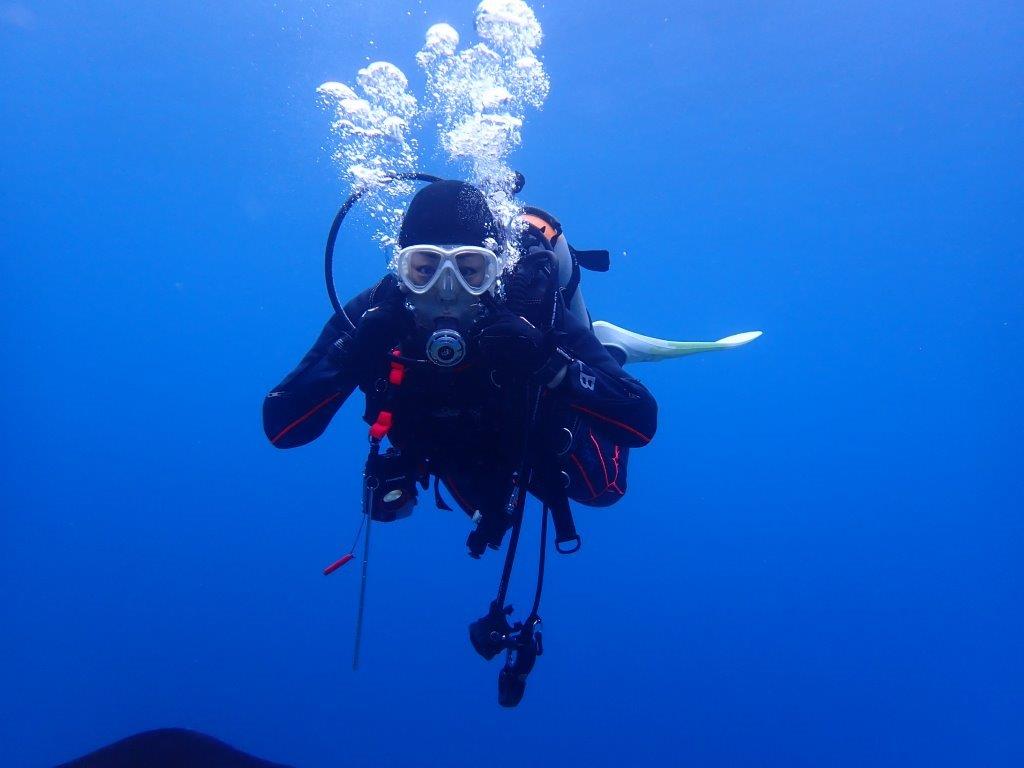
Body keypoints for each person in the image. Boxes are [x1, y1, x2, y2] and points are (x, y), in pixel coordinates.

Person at [263, 180, 657, 555]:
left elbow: (641, 419)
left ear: (495, 270)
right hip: (453, 449)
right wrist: (351, 352)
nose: (446, 290)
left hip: (529, 431)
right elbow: (281, 425)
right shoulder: (376, 313)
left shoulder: (526, 309)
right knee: (480, 504)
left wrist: (548, 362)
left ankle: (607, 349)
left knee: (604, 490)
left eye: (469, 270)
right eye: (425, 269)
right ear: (401, 269)